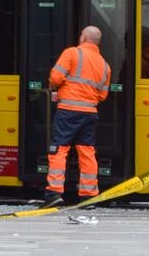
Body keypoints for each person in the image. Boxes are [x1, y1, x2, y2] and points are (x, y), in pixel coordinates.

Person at [44, 25, 112, 208]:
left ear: (83, 38)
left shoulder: (72, 53)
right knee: (87, 152)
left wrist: (55, 87)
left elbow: (56, 77)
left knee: (59, 150)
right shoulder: (105, 65)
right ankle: (88, 196)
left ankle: (54, 193)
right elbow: (103, 95)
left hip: (68, 111)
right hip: (90, 113)